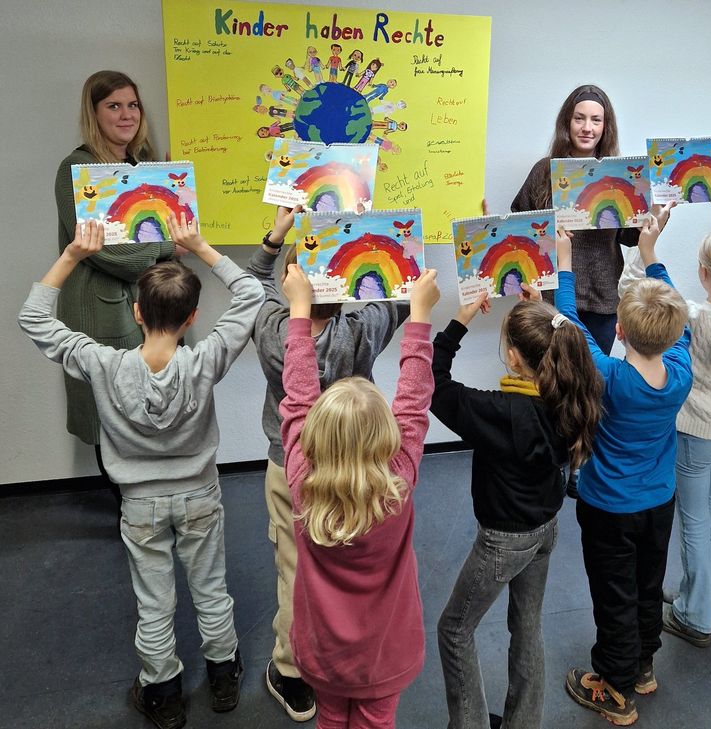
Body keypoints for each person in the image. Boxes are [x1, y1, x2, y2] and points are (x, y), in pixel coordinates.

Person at [19, 216, 265, 729]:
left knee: (154, 603)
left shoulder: (102, 364)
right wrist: (200, 245)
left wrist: (73, 256)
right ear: (193, 314)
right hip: (199, 497)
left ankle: (163, 695)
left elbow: (35, 318)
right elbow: (249, 295)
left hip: (139, 506)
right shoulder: (206, 360)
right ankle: (223, 680)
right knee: (212, 589)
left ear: (135, 311)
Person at [246, 206, 408, 722]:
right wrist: (367, 241)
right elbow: (399, 294)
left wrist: (275, 237)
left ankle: (294, 676)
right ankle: (357, 660)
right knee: (361, 572)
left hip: (291, 469)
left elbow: (252, 283)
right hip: (365, 469)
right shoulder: (361, 328)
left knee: (296, 572)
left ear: (294, 284)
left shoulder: (273, 329)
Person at [431, 291, 602, 729]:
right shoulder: (569, 394)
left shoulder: (501, 412)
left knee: (454, 630)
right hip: (545, 529)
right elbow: (560, 339)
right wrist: (544, 309)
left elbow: (434, 384)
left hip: (503, 541)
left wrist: (460, 320)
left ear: (512, 357)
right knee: (527, 627)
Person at [279, 264, 439, 729]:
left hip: (324, 652)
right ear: (388, 438)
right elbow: (414, 402)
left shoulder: (301, 480)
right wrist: (419, 317)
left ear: (312, 437)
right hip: (384, 653)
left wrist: (299, 312)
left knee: (330, 718)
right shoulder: (399, 481)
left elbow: (298, 396)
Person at [557, 204, 692, 727]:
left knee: (614, 594)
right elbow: (673, 308)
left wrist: (564, 261)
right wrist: (652, 256)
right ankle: (642, 666)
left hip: (609, 508)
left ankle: (614, 688)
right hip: (659, 502)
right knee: (647, 583)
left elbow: (568, 323)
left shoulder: (610, 377)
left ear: (619, 329)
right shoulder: (680, 370)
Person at [619, 198, 711, 647]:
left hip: (694, 437)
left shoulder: (694, 318)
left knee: (692, 522)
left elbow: (632, 291)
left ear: (704, 273)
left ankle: (695, 615)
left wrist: (649, 244)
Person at [54, 70, 174, 508]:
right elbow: (102, 251)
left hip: (148, 307)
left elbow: (161, 233)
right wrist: (164, 245)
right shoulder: (76, 168)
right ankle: (130, 509)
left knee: (148, 403)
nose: (126, 114)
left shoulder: (141, 168)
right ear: (94, 112)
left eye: (133, 105)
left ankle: (148, 502)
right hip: (98, 310)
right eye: (114, 106)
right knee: (109, 412)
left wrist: (173, 189)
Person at [511, 84, 638, 356]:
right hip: (551, 299)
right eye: (579, 118)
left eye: (596, 120)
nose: (587, 127)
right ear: (567, 122)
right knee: (549, 378)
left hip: (602, 301)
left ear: (606, 126)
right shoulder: (544, 170)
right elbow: (521, 229)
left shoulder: (617, 174)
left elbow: (631, 237)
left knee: (591, 382)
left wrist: (658, 211)